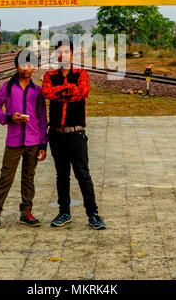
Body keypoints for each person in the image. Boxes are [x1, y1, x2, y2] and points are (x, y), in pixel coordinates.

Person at [0, 49, 48, 231]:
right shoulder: (7, 87)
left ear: (35, 68)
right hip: (13, 141)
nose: (26, 69)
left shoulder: (37, 91)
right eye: (23, 64)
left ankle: (26, 212)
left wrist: (43, 144)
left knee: (29, 178)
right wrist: (9, 118)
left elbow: (43, 119)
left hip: (33, 141)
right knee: (5, 178)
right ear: (16, 66)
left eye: (30, 65)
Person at [42, 40, 106, 230]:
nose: (63, 55)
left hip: (76, 133)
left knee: (83, 174)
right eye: (59, 52)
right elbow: (47, 93)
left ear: (72, 55)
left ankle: (93, 214)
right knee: (61, 176)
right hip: (56, 134)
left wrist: (60, 92)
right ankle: (64, 212)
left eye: (67, 52)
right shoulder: (49, 75)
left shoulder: (81, 74)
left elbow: (82, 92)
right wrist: (69, 90)